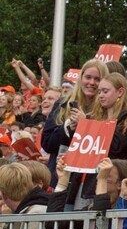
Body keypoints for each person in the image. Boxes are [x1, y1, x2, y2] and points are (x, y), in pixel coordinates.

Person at [42, 58, 109, 186]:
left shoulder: (108, 109)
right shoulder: (62, 104)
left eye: (97, 79)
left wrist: (85, 125)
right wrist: (67, 128)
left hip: (89, 181)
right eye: (88, 77)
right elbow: (46, 143)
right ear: (81, 78)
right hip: (59, 176)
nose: (91, 82)